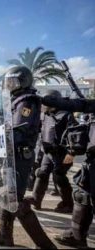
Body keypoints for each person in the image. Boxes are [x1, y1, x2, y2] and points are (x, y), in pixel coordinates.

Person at [0, 66, 56, 248]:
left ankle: (46, 245)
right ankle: (4, 235)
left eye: (12, 81)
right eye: (7, 82)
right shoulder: (15, 100)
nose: (9, 85)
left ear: (22, 81)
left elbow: (19, 130)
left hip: (19, 156)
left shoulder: (27, 101)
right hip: (11, 154)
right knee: (7, 197)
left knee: (16, 201)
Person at [41, 93, 95, 248]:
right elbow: (81, 105)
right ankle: (77, 236)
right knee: (82, 195)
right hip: (92, 158)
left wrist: (70, 153)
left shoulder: (65, 116)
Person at [26, 89, 76, 213]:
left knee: (59, 177)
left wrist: (71, 152)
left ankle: (68, 204)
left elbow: (75, 134)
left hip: (62, 153)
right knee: (42, 173)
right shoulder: (45, 114)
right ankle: (36, 199)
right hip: (47, 151)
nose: (43, 105)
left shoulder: (66, 114)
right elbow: (38, 129)